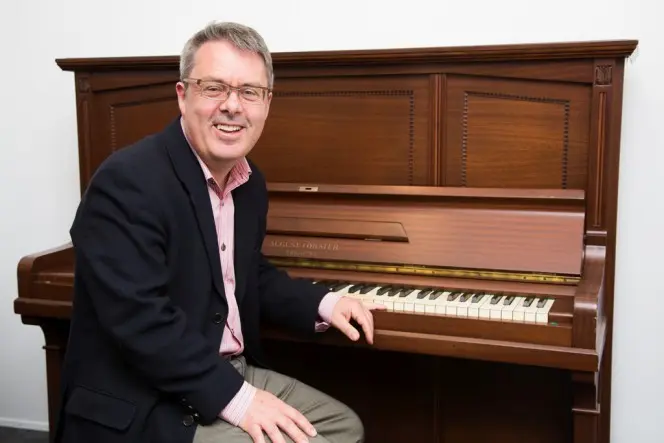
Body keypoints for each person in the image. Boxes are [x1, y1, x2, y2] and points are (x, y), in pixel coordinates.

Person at [56, 21, 385, 443]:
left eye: (250, 92)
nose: (233, 106)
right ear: (182, 95)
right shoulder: (127, 181)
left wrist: (324, 302)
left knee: (343, 427)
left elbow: (245, 274)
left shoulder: (249, 183)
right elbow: (142, 322)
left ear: (266, 103)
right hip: (144, 396)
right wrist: (242, 401)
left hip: (223, 371)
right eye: (214, 88)